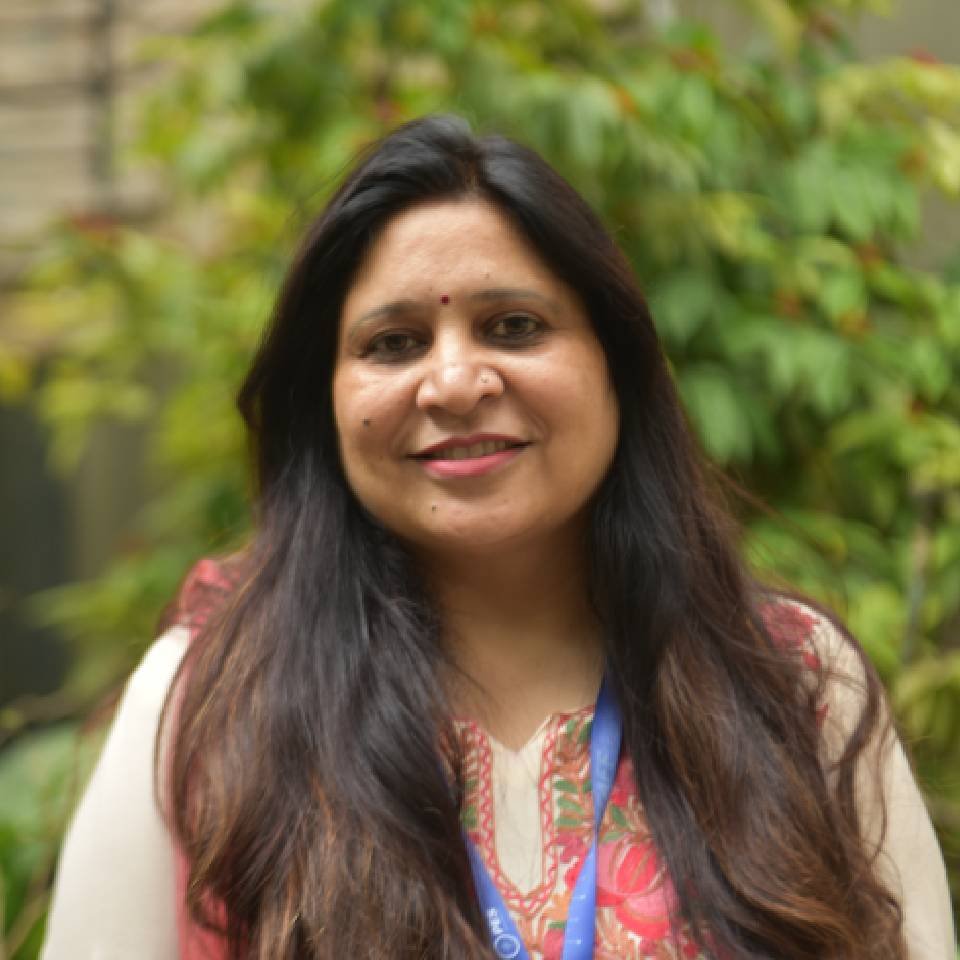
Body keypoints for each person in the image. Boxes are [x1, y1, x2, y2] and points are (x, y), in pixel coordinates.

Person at [42, 115, 954, 960]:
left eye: (514, 327)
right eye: (393, 343)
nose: (454, 382)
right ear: (326, 403)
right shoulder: (208, 705)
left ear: (617, 365)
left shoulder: (793, 685)